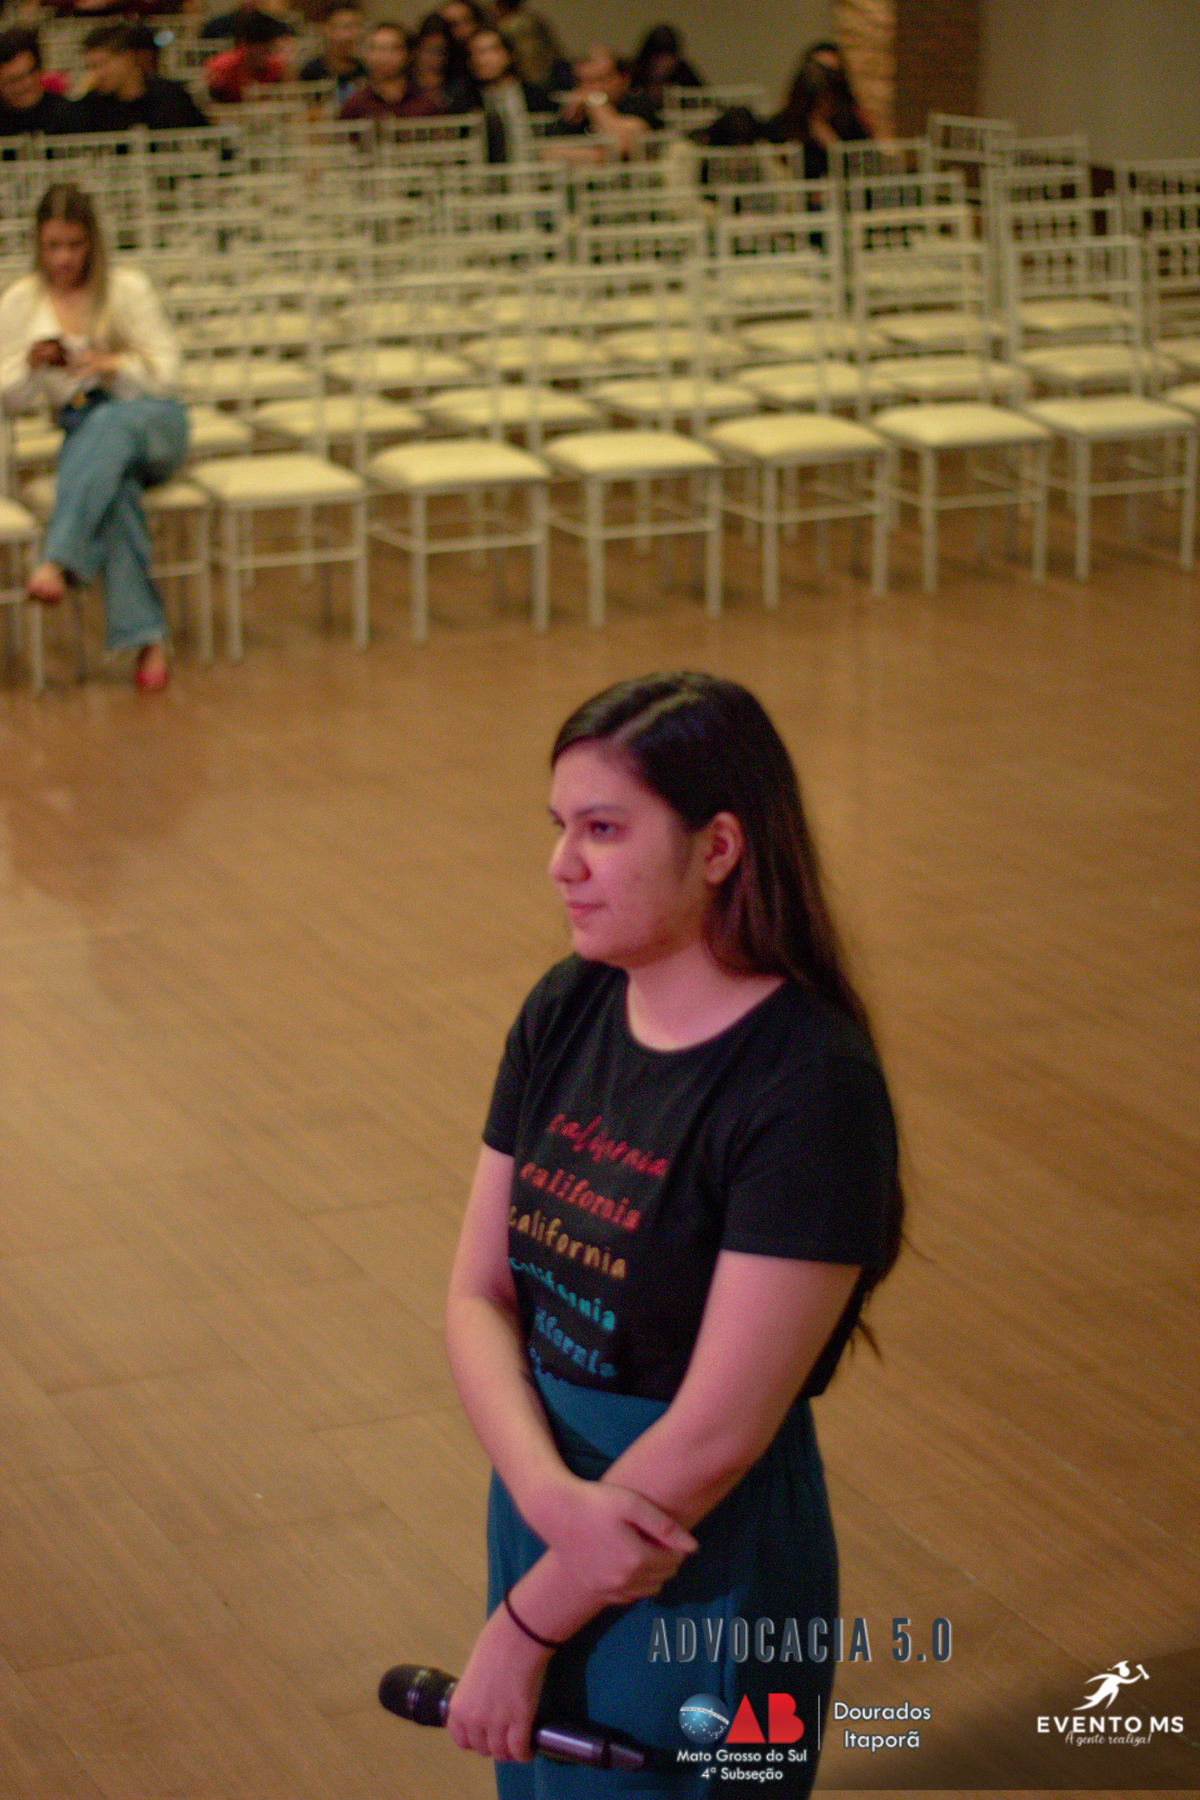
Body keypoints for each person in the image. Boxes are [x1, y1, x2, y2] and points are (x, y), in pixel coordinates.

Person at [444, 671, 903, 1795]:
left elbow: (714, 1437)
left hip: (694, 1557)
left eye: (602, 830)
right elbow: (478, 1295)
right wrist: (550, 1508)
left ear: (719, 848)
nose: (561, 864)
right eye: (560, 826)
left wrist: (525, 1625)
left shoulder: (810, 1086)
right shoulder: (568, 1005)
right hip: (553, 1511)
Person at [0, 184, 188, 691]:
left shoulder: (127, 289)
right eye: (52, 246)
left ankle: (58, 558)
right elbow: (7, 399)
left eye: (74, 245)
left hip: (152, 420)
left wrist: (113, 365)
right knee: (116, 493)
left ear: (93, 243)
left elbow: (170, 376)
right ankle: (148, 640)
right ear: (37, 244)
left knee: (109, 425)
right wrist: (30, 365)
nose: (63, 258)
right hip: (82, 428)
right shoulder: (21, 302)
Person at [763, 40, 874, 178]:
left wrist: (832, 145)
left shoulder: (850, 122)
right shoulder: (783, 124)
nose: (824, 78)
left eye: (832, 73)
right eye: (818, 69)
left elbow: (864, 166)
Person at [69, 23, 209, 128]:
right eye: (90, 67)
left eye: (102, 64)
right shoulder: (90, 107)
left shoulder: (170, 96)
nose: (96, 73)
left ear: (127, 58)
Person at [547, 46, 661, 161]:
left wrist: (595, 103)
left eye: (599, 79)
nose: (589, 88)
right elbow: (548, 152)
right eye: (582, 81)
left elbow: (623, 147)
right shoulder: (574, 112)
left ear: (623, 79)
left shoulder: (638, 102)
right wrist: (600, 157)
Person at [466, 25, 550, 163]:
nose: (481, 60)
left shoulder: (535, 95)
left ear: (509, 54)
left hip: (529, 170)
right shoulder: (466, 99)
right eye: (474, 53)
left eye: (490, 51)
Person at [204, 10, 290, 101]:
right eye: (261, 49)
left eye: (268, 50)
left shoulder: (275, 67)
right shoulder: (221, 68)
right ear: (245, 44)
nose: (264, 55)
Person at [0, 25, 72, 133]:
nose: (20, 87)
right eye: (11, 81)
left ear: (39, 70)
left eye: (24, 76)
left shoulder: (68, 115)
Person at [337, 20, 410, 121]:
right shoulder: (355, 105)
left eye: (393, 48)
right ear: (366, 55)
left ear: (407, 54)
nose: (385, 56)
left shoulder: (424, 102)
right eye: (377, 48)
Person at [491, 0, 569, 93]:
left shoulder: (505, 25)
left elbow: (551, 45)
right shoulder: (533, 19)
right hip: (536, 70)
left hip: (536, 70)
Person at [627, 24, 702, 114]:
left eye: (668, 57)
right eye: (658, 58)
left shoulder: (682, 70)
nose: (664, 63)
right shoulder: (636, 70)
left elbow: (702, 96)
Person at [298, 1, 364, 102]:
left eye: (357, 26)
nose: (352, 34)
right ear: (326, 30)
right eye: (346, 27)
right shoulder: (310, 72)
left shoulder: (365, 71)